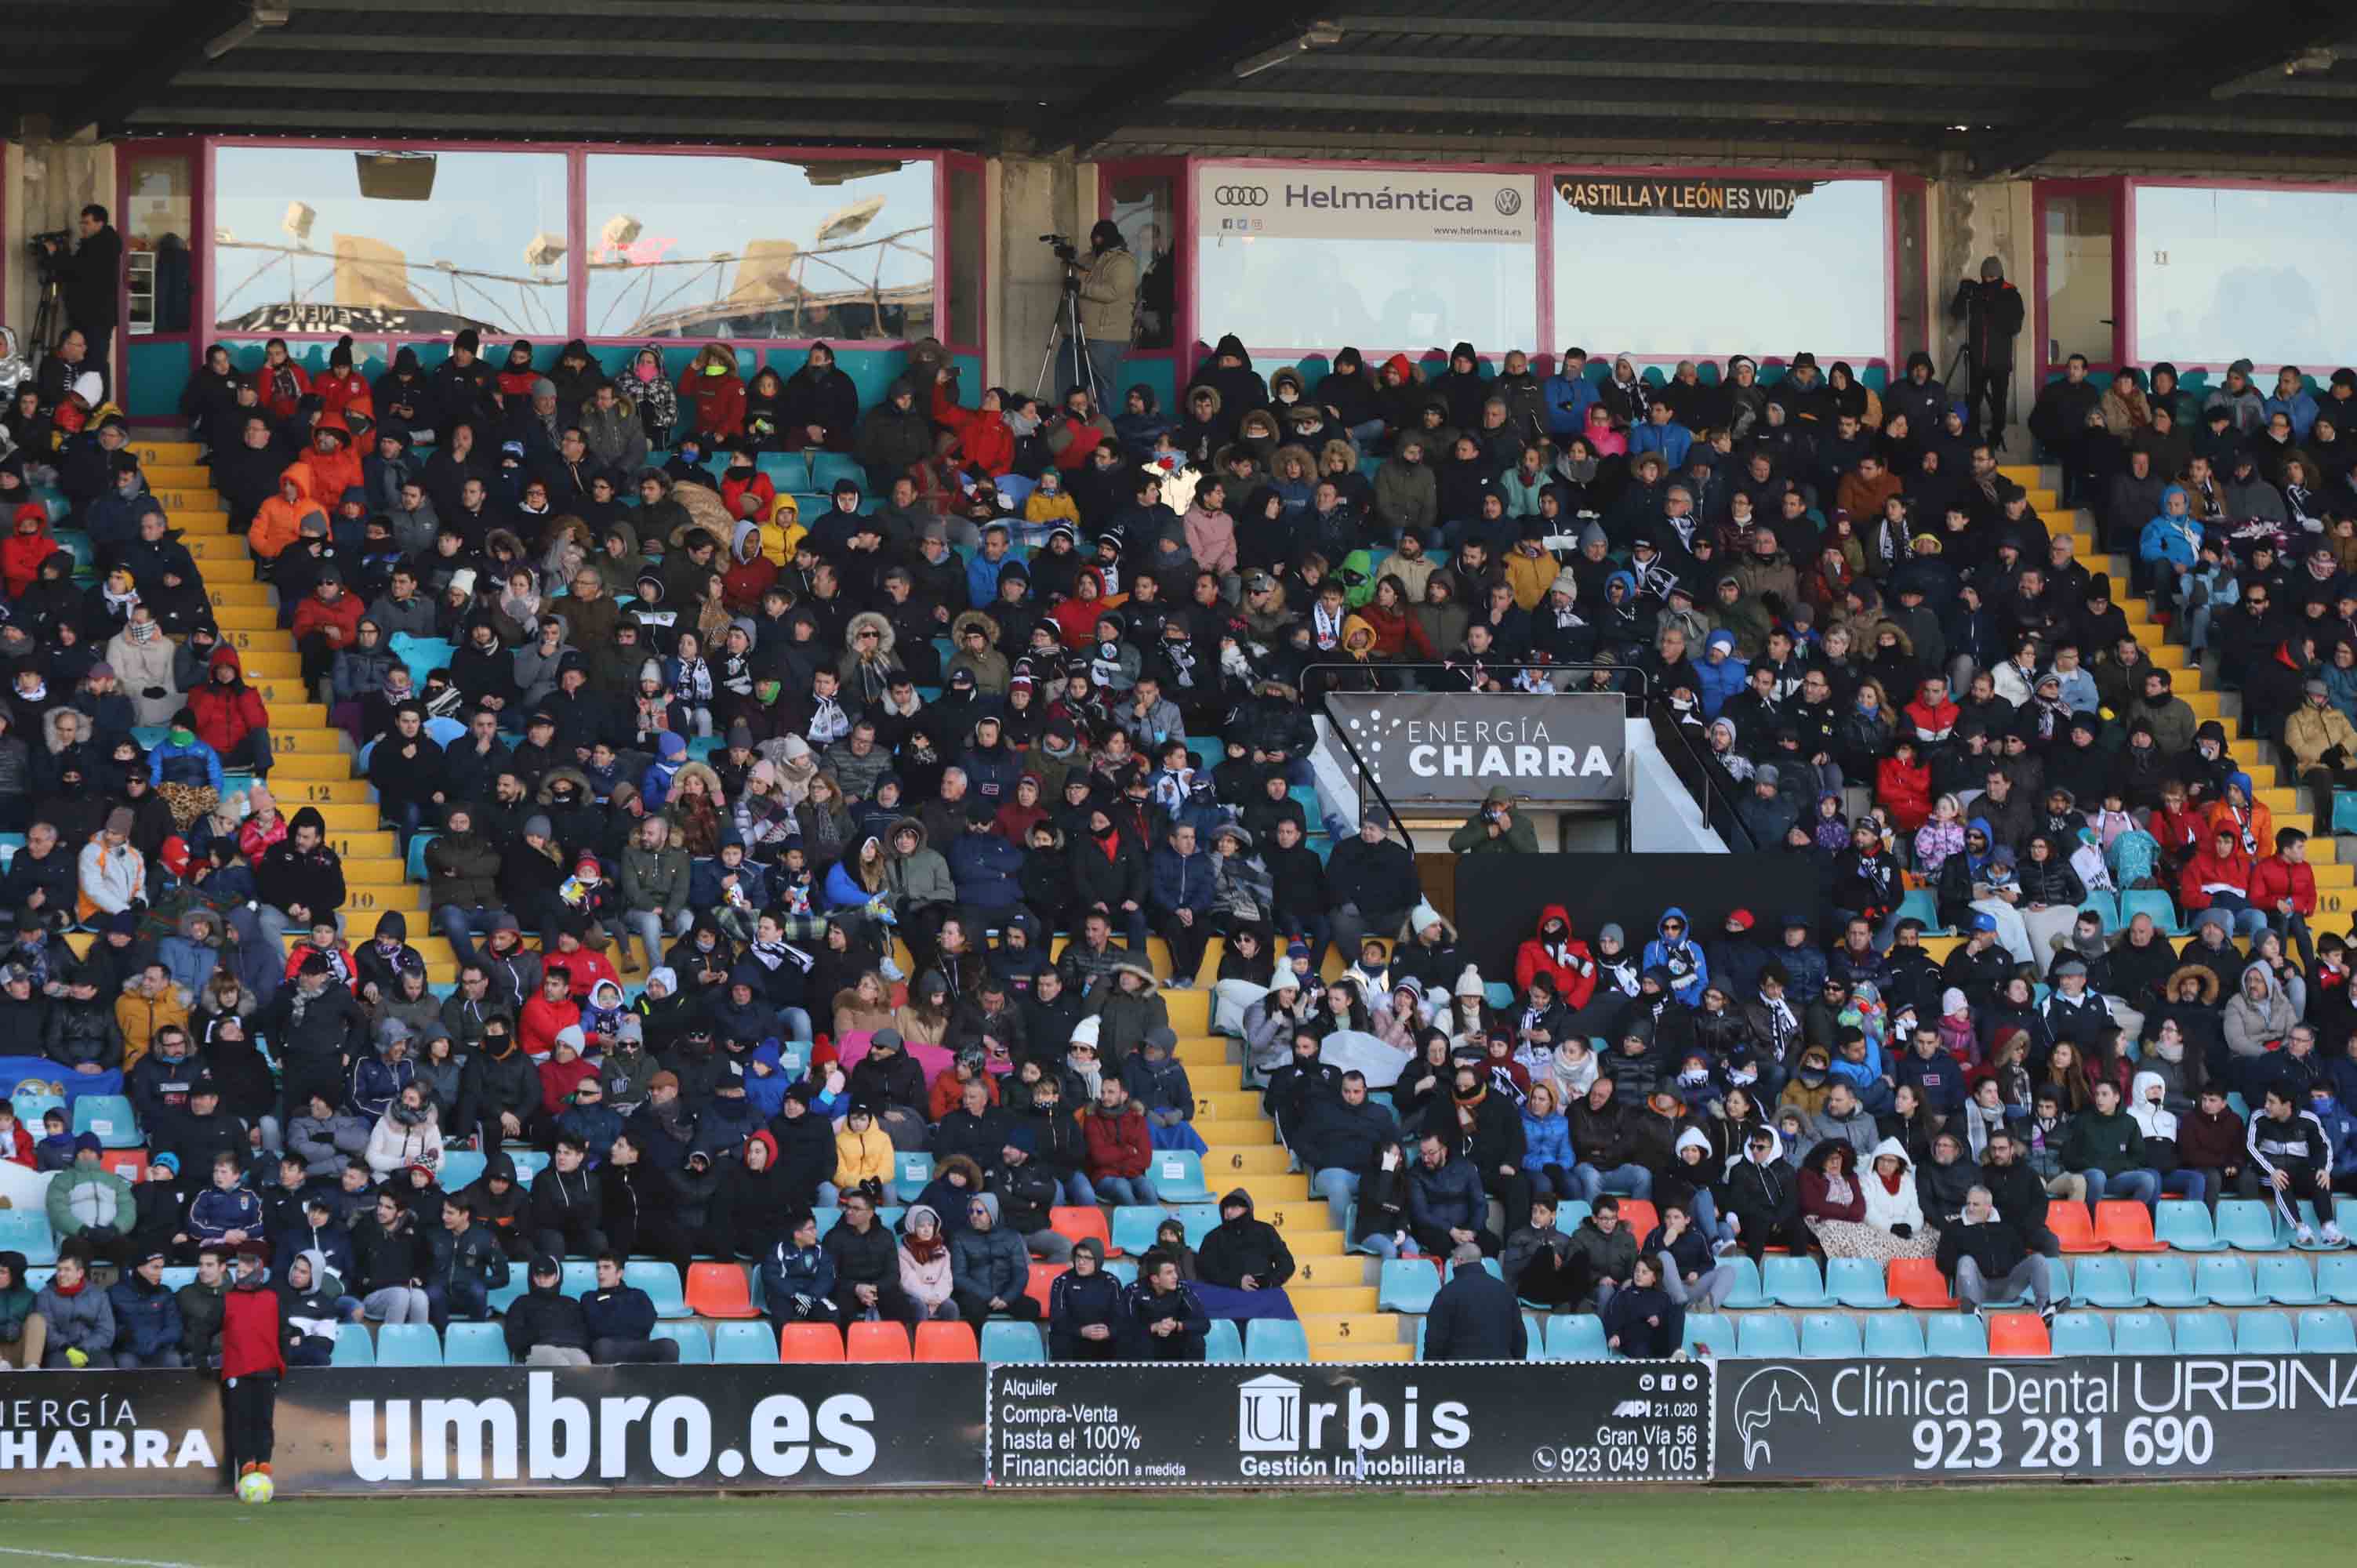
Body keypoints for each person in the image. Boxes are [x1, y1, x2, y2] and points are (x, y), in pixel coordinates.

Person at [1938, 1184, 2055, 1321]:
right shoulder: (1954, 1228)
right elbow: (1942, 1261)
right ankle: (1972, 1314)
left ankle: (2044, 1308)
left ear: (1988, 1207)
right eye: (1968, 1203)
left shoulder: (2006, 1226)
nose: (1970, 1208)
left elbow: (2020, 1257)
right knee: (1966, 1262)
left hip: (2007, 1286)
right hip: (1975, 1286)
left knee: (2038, 1259)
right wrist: (1965, 1265)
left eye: (1976, 1205)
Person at [220, 1242, 284, 1487]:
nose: (240, 1270)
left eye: (246, 1266)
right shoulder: (228, 1300)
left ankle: (264, 1463)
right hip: (238, 1369)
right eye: (239, 1266)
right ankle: (246, 1464)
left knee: (264, 1419)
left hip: (267, 1368)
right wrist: (203, 1357)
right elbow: (206, 1328)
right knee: (241, 1418)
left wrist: (281, 1364)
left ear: (258, 1268)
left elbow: (283, 1333)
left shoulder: (272, 1298)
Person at [2249, 1085, 2346, 1246]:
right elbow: (2250, 1148)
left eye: (2272, 1102)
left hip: (2299, 1172)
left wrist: (2325, 1169)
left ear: (2287, 1105)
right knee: (2281, 1180)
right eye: (2266, 1100)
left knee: (2319, 1178)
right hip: (2269, 1174)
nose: (2266, 1105)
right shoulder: (2259, 1118)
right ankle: (2301, 1230)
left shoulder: (2309, 1120)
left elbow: (2324, 1147)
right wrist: (2272, 1171)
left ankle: (2328, 1228)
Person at [45, 205, 123, 397]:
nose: (83, 227)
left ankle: (99, 410)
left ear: (100, 223)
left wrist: (56, 254)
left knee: (95, 364)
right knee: (88, 363)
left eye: (87, 223)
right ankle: (85, 408)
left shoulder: (103, 246)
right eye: (82, 222)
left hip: (96, 318)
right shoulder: (96, 244)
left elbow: (78, 271)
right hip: (89, 316)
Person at [1948, 255, 2023, 449]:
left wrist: (1992, 304)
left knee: (1999, 403)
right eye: (1986, 277)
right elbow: (1956, 312)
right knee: (1973, 401)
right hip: (1977, 359)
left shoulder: (2011, 294)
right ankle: (1973, 436)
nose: (1989, 281)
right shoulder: (1977, 292)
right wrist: (1962, 293)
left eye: (1992, 278)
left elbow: (2014, 326)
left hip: (1999, 361)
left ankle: (1995, 436)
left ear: (1999, 276)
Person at [1068, 220, 1139, 405]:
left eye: (1100, 238)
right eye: (1094, 238)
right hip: (1080, 332)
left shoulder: (1123, 262)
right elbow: (1070, 280)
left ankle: (1107, 429)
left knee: (1103, 390)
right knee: (1072, 387)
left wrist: (1081, 288)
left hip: (1107, 335)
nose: (1096, 241)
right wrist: (1067, 261)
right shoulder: (1087, 258)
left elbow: (1113, 292)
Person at [1422, 1240, 1528, 1359]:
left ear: (1458, 1260)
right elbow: (1520, 1337)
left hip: (1458, 1374)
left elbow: (1435, 1341)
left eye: (1452, 1262)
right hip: (1501, 1372)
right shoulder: (1505, 1291)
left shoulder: (1446, 1294)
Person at [503, 1254, 594, 1367]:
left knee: (583, 1364)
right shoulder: (521, 1303)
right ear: (532, 1277)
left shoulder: (571, 1304)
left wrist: (555, 1336)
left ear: (557, 1277)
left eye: (547, 1276)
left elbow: (584, 1337)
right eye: (538, 1275)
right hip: (538, 1350)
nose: (542, 1280)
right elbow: (514, 1340)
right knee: (559, 1363)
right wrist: (539, 1335)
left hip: (572, 1348)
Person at [1120, 1250, 1208, 1361]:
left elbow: (1204, 1324)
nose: (1175, 1276)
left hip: (1173, 1344)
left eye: (1175, 1271)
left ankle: (1192, 1377)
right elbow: (1123, 1329)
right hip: (1146, 1345)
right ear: (1155, 1279)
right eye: (1169, 1273)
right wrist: (1153, 1327)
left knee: (1196, 1340)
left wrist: (1177, 1325)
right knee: (1138, 1342)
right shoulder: (1133, 1291)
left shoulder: (1182, 1289)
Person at [1048, 1236, 1125, 1359]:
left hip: (1103, 1340)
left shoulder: (1111, 1282)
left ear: (1098, 1260)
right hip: (1074, 1338)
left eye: (1088, 1258)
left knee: (1124, 1338)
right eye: (1078, 1256)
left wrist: (1109, 1331)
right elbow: (1057, 1319)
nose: (1081, 1262)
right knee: (1061, 1338)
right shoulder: (1062, 1281)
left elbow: (1120, 1316)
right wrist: (1081, 1331)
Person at [1599, 1254, 1683, 1358]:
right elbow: (1613, 1316)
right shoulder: (1624, 1294)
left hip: (1658, 1343)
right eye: (1637, 1271)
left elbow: (1669, 1318)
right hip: (1634, 1342)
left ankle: (1675, 1353)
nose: (1639, 1275)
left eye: (1644, 1272)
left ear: (1654, 1277)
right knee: (1640, 1327)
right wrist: (1615, 1334)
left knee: (1678, 1309)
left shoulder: (1664, 1297)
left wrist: (1659, 1319)